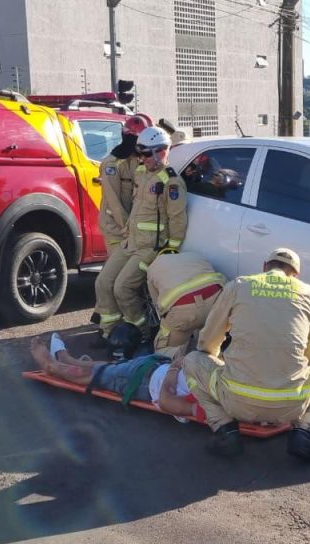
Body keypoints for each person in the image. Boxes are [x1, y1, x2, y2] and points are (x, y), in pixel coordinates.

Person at [182, 248, 310, 462]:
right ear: (295, 274)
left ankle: (224, 428)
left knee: (192, 361)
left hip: (237, 400)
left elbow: (208, 343)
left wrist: (219, 364)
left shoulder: (239, 286)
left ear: (265, 267)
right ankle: (305, 431)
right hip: (291, 404)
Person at [93, 126, 188, 337]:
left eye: (145, 154)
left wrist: (169, 251)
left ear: (161, 152)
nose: (142, 158)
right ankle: (111, 333)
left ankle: (140, 332)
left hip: (149, 249)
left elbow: (177, 219)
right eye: (140, 154)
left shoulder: (171, 182)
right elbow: (120, 168)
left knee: (122, 288)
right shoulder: (141, 172)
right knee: (103, 283)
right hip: (130, 242)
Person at [30, 332, 197, 419]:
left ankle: (52, 367)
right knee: (110, 367)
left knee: (93, 375)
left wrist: (174, 368)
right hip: (156, 364)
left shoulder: (210, 406)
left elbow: (166, 401)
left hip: (144, 381)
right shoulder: (221, 384)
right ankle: (68, 359)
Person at [146, 251, 226, 357]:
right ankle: (214, 364)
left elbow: (158, 306)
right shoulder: (194, 255)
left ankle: (179, 366)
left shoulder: (153, 267)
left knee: (164, 350)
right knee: (211, 348)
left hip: (183, 312)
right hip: (216, 302)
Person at [97, 115, 151, 253]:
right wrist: (129, 229)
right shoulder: (112, 164)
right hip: (116, 228)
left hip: (133, 229)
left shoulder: (138, 160)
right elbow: (113, 201)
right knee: (117, 270)